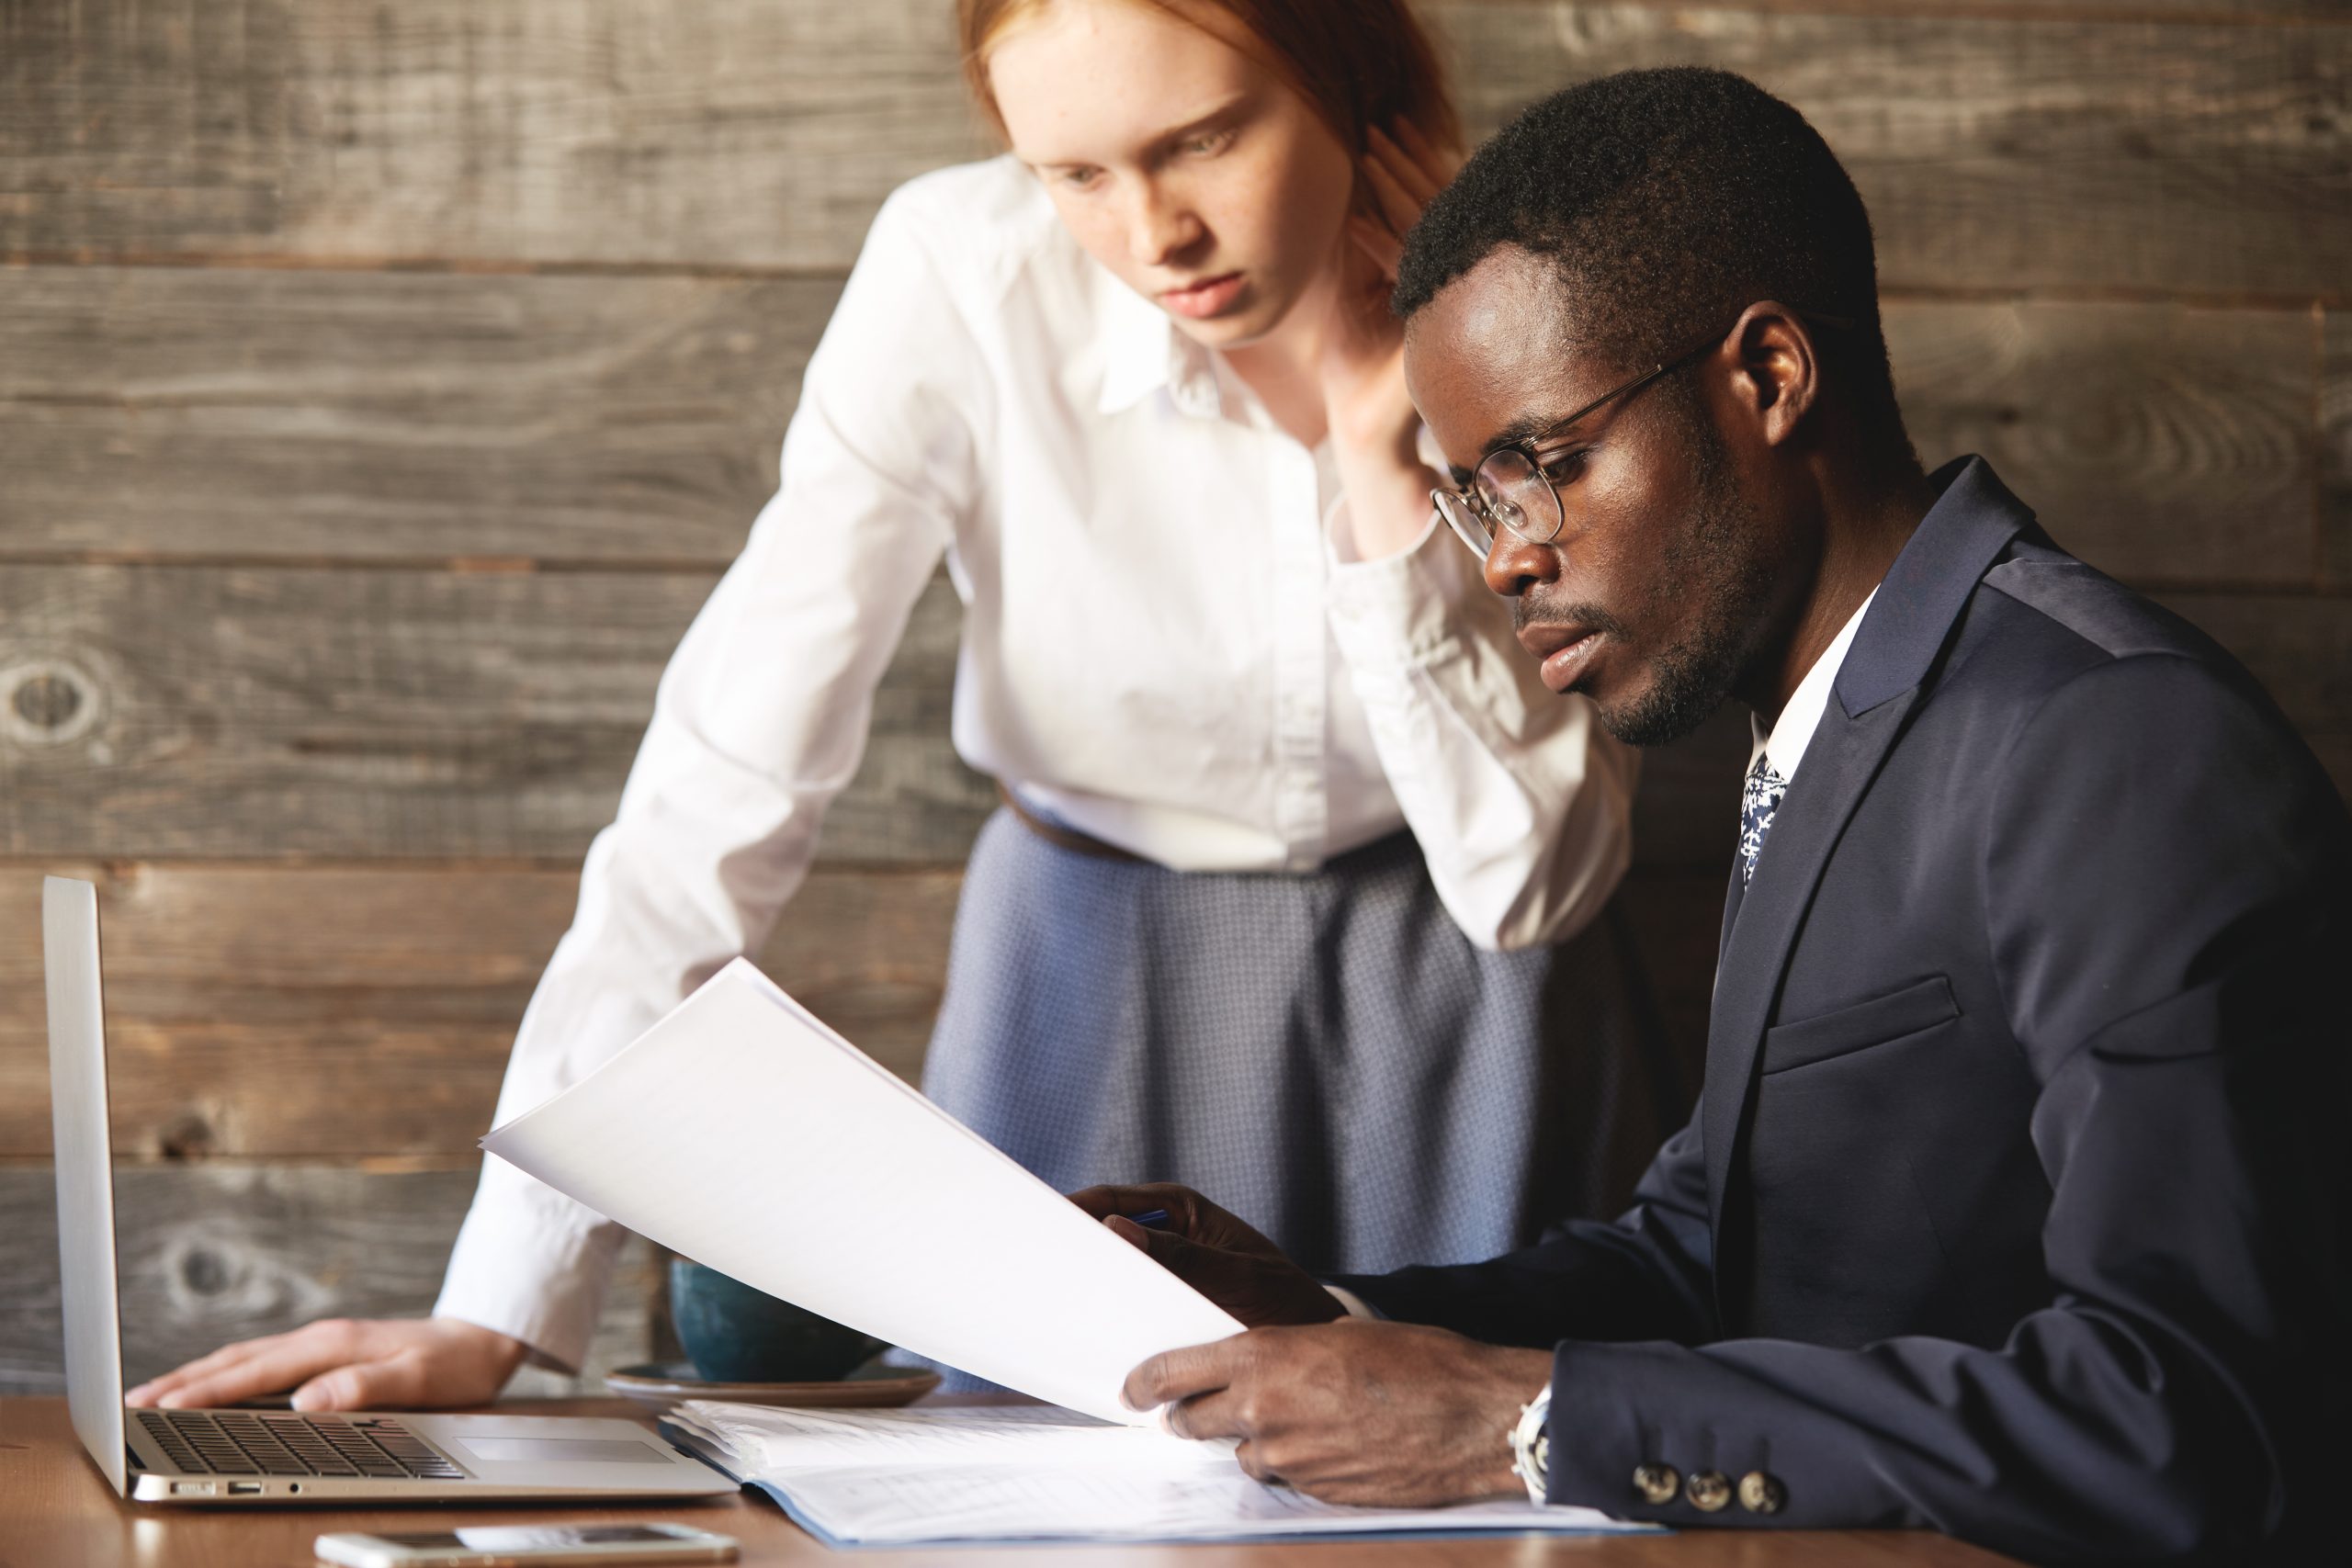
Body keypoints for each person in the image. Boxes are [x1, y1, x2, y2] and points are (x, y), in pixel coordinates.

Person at [125, 0, 1654, 1415]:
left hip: (1461, 1004)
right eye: (1074, 171)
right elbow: (721, 782)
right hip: (1085, 981)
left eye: (1203, 139)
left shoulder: (1521, 290)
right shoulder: (958, 275)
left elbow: (1528, 892)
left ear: (1345, 73)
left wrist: (1385, 465)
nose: (1156, 231)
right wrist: (510, 1300)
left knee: (1461, 1484)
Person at [1070, 67, 2350, 1563]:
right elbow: (1710, 1264)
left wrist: (1523, 1426)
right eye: (1476, 499)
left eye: (1540, 470)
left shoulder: (2118, 741)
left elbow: (2193, 1407)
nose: (1505, 562)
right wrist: (1328, 1318)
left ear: (1768, 378)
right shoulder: (1822, 722)